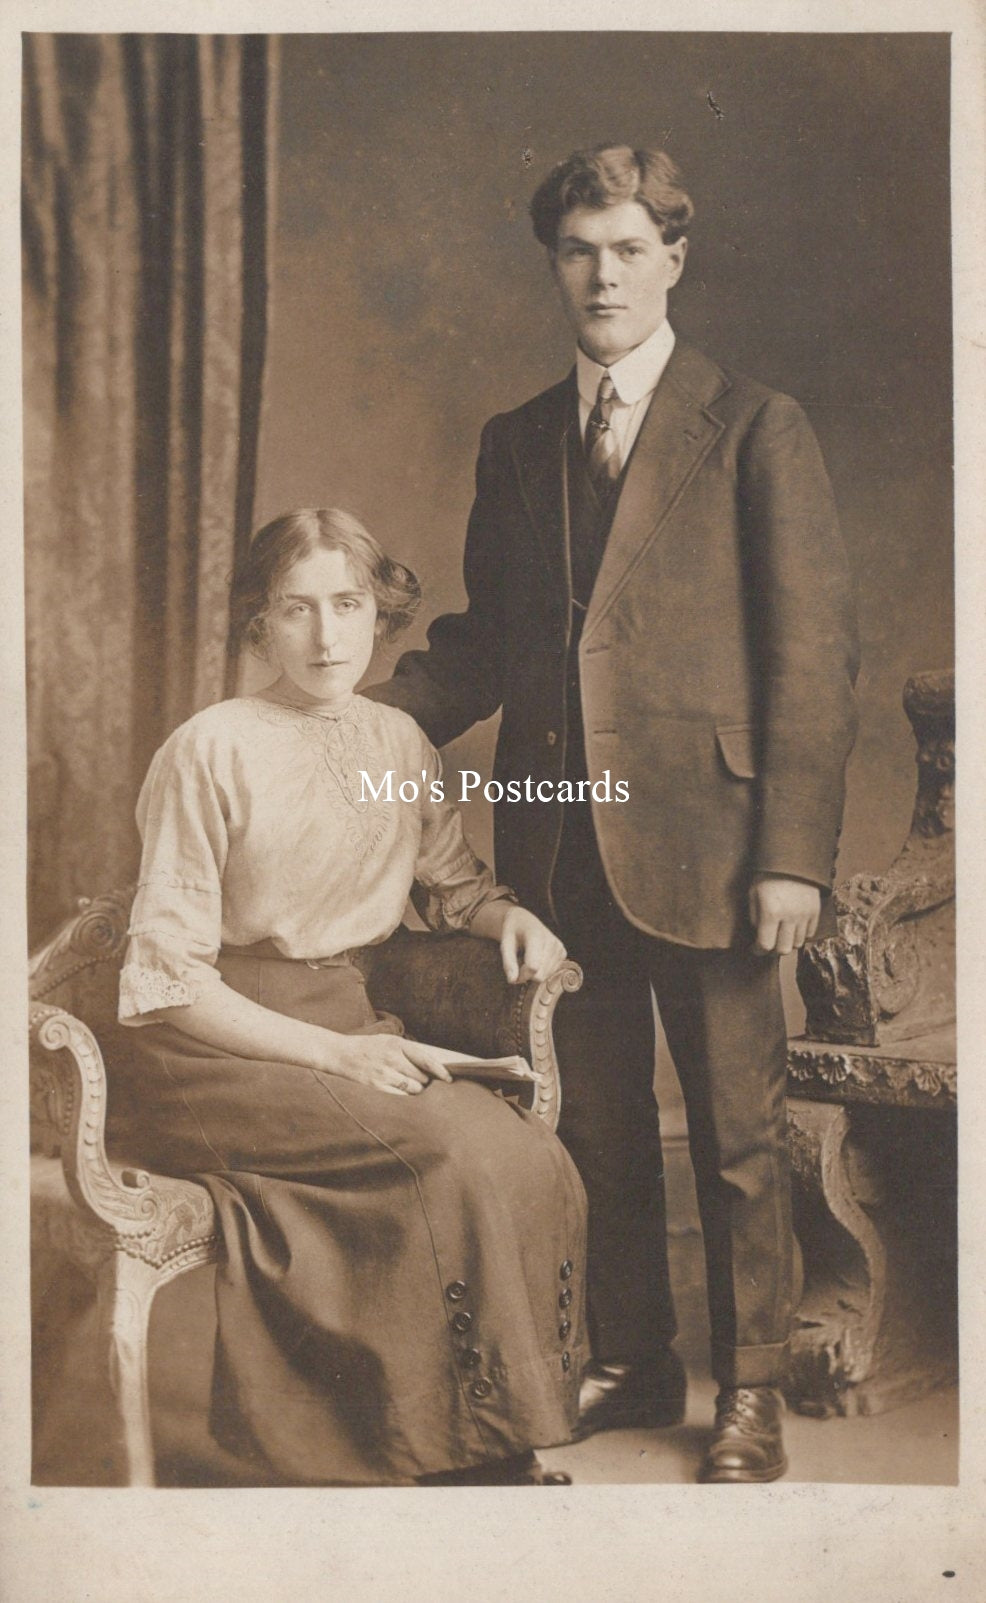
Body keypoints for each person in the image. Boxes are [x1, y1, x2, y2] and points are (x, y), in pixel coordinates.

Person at [368, 145, 860, 1482]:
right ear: (554, 265)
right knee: (590, 1124)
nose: (601, 274)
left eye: (626, 247)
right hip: (556, 840)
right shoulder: (518, 440)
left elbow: (808, 660)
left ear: (673, 258)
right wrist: (360, 714)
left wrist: (792, 860)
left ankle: (745, 1387)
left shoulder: (755, 425)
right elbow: (484, 641)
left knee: (735, 1127)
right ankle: (632, 1355)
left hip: (715, 848)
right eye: (578, 249)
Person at [108, 506, 587, 1487]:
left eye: (347, 604)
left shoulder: (400, 741)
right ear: (260, 623)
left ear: (381, 613)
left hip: (342, 1017)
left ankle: (491, 1429)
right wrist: (336, 1055)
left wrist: (510, 924)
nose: (326, 637)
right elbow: (164, 979)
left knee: (521, 1150)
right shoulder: (209, 748)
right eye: (296, 609)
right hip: (213, 1043)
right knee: (444, 1149)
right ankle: (434, 1445)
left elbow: (455, 889)